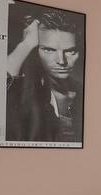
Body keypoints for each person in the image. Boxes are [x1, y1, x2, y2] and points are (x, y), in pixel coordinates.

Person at [5, 8, 83, 143]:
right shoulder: (20, 92)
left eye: (70, 51)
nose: (61, 61)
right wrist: (26, 44)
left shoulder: (84, 92)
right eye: (49, 50)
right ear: (35, 51)